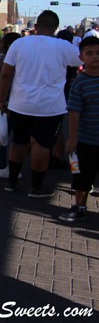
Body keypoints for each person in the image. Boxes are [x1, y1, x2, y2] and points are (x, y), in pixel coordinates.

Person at [0, 10, 83, 197]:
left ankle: (11, 181)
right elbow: (83, 59)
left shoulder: (19, 44)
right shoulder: (62, 46)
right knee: (42, 146)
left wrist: (2, 100)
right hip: (50, 108)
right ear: (55, 28)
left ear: (35, 27)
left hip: (19, 104)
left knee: (18, 142)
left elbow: (5, 74)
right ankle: (36, 187)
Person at [59, 36, 99, 222]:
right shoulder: (80, 82)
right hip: (86, 139)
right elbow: (74, 112)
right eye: (89, 53)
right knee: (82, 177)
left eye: (98, 53)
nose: (95, 57)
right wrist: (72, 138)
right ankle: (79, 207)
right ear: (81, 57)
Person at [0, 32, 21, 178]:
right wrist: (4, 100)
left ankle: (0, 164)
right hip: (6, 99)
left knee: (1, 132)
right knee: (4, 134)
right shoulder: (8, 60)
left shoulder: (0, 58)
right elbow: (5, 79)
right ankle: (2, 166)